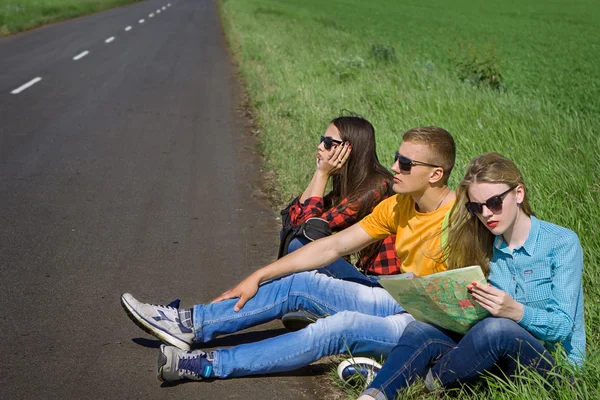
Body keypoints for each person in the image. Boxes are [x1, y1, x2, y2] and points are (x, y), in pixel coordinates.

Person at [120, 126, 457, 382]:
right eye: (397, 158)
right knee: (298, 283)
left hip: (430, 323)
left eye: (406, 163)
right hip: (402, 296)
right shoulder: (399, 204)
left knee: (337, 328)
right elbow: (332, 245)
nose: (395, 166)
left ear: (436, 174)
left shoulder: (460, 220)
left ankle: (209, 365)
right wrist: (258, 276)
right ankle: (189, 325)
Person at [358, 153, 586, 400]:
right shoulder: (483, 243)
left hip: (554, 366)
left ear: (518, 194)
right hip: (498, 358)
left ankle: (416, 384)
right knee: (420, 328)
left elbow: (563, 327)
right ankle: (373, 395)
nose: (487, 214)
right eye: (477, 207)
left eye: (495, 202)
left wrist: (516, 311)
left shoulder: (561, 242)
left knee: (496, 328)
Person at [279, 115, 400, 329]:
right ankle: (312, 305)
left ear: (348, 150)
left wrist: (322, 174)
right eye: (321, 139)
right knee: (296, 241)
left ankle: (316, 306)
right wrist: (319, 175)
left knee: (301, 245)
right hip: (366, 281)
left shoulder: (376, 186)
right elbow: (293, 219)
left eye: (328, 143)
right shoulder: (353, 184)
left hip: (383, 289)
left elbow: (310, 230)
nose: (320, 147)